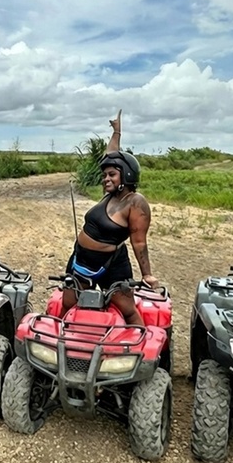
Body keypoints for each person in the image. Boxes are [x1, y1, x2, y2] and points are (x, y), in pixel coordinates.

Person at [61, 109, 158, 326]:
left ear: (126, 175)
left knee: (127, 310)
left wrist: (147, 274)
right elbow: (110, 157)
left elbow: (139, 241)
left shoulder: (135, 203)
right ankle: (56, 346)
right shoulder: (110, 196)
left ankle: (140, 351)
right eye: (105, 175)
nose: (106, 178)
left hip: (111, 264)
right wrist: (117, 133)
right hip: (81, 259)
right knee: (67, 303)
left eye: (111, 175)